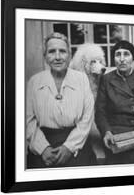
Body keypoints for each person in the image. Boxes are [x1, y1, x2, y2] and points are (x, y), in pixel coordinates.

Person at [26, 32, 96, 168]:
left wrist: (69, 147)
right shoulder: (34, 82)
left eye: (62, 51)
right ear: (45, 57)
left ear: (69, 55)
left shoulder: (81, 79)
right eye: (52, 52)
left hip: (77, 143)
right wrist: (43, 149)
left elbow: (87, 118)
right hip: (44, 142)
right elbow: (28, 120)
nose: (57, 57)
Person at [95, 40, 134, 165]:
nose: (122, 59)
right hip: (115, 135)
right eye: (118, 54)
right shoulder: (106, 79)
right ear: (114, 58)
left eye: (126, 54)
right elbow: (100, 112)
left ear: (133, 58)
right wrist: (107, 132)